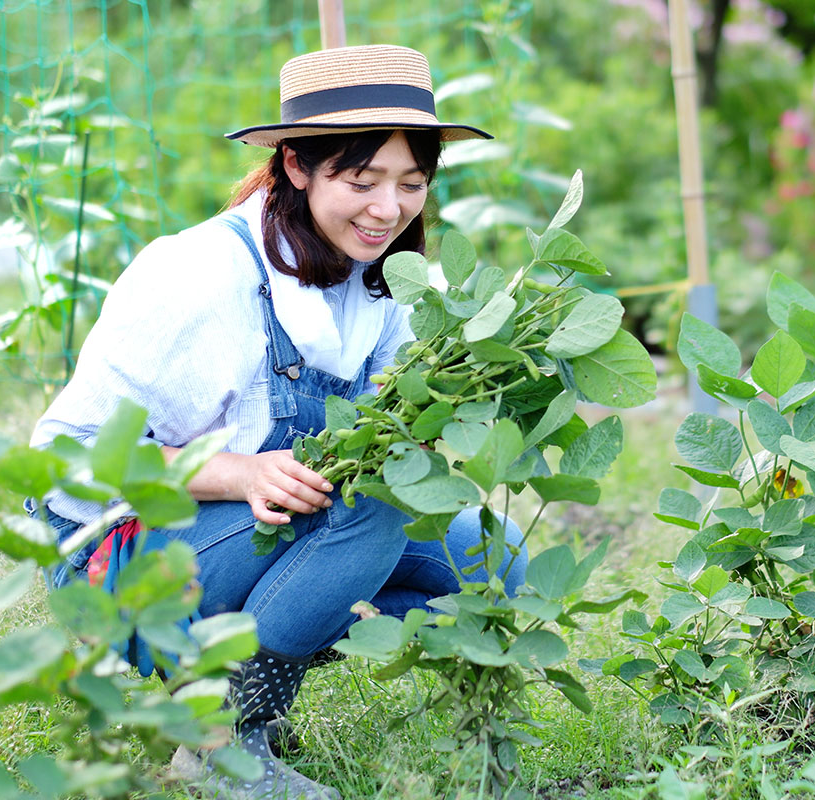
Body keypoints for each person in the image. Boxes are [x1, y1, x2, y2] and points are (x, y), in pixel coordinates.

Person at [29, 44, 527, 800]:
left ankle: (238, 671)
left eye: (412, 184)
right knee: (374, 508)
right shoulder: (198, 275)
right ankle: (221, 743)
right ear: (295, 165)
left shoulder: (387, 279)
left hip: (253, 536)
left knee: (493, 555)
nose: (388, 209)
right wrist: (238, 472)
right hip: (118, 559)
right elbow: (62, 457)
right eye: (361, 181)